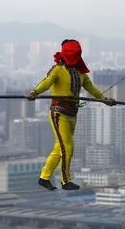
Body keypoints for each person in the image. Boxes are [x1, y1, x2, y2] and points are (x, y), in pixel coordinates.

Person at [28, 39, 116, 191]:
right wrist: (34, 92)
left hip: (72, 114)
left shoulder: (81, 73)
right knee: (68, 147)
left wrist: (105, 100)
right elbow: (46, 82)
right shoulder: (57, 69)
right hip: (58, 112)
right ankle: (65, 181)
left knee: (59, 147)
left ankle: (44, 177)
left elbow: (92, 89)